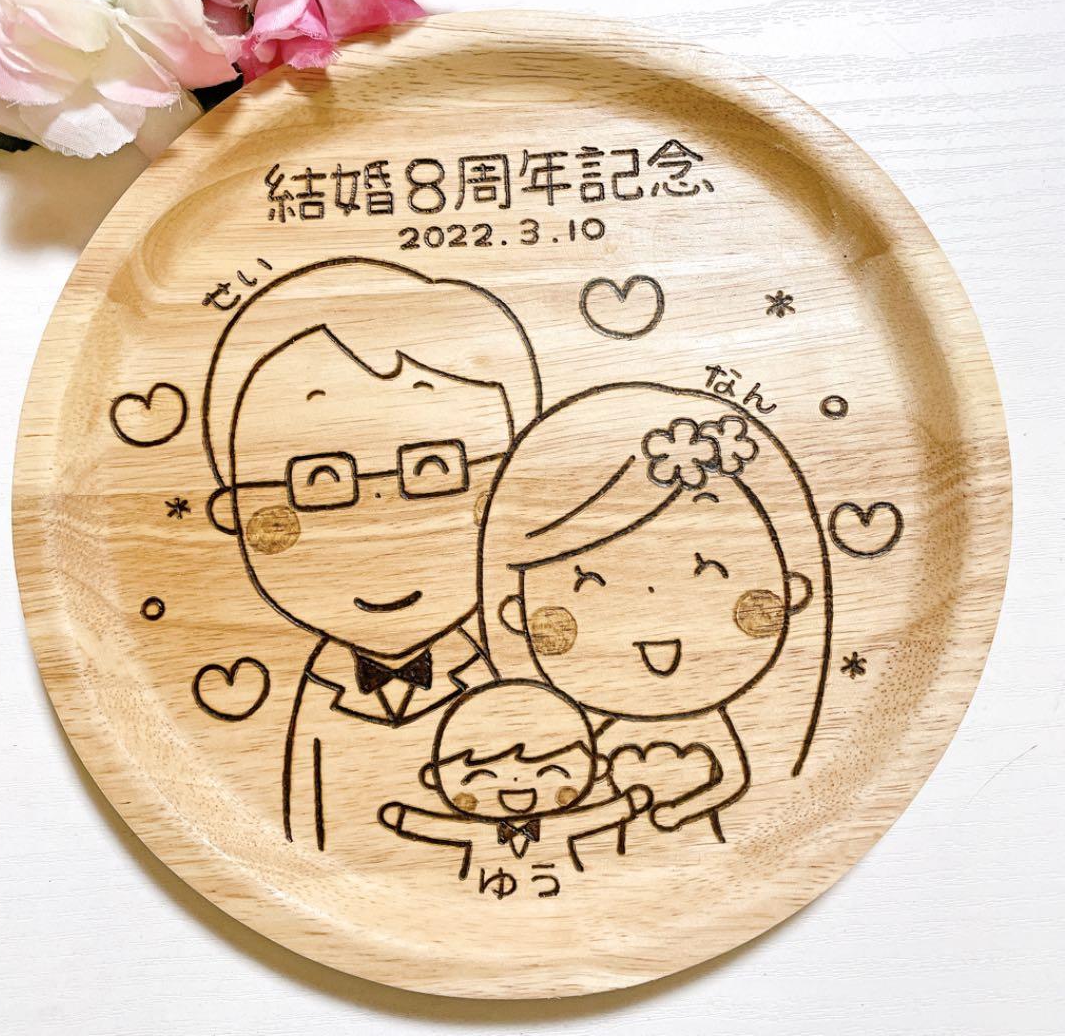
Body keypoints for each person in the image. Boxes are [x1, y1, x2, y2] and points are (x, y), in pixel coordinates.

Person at [202, 257, 541, 848]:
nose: (384, 520)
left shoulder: (501, 684)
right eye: (320, 480)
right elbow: (302, 830)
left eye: (435, 469)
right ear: (234, 513)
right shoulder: (321, 696)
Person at [480, 383, 824, 846]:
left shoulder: (705, 722)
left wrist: (680, 813)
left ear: (790, 592)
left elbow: (732, 780)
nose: (652, 612)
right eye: (591, 584)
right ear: (517, 616)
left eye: (709, 572)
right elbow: (587, 787)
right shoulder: (598, 733)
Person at [378, 680, 652, 894]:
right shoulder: (477, 829)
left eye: (550, 773)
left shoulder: (559, 824)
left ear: (598, 768)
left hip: (570, 899)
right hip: (479, 903)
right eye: (482, 776)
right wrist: (404, 819)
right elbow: (439, 827)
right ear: (434, 778)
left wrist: (627, 805)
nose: (517, 787)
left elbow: (594, 817)